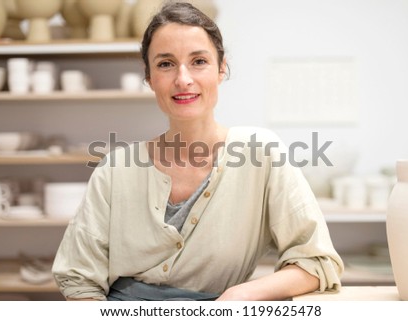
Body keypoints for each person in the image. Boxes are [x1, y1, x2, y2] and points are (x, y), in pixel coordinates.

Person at [52, 1, 343, 301]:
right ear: (149, 77)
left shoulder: (263, 153)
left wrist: (235, 297)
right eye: (165, 64)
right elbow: (79, 279)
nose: (183, 79)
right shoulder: (115, 170)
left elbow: (316, 263)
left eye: (198, 61)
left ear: (221, 69)